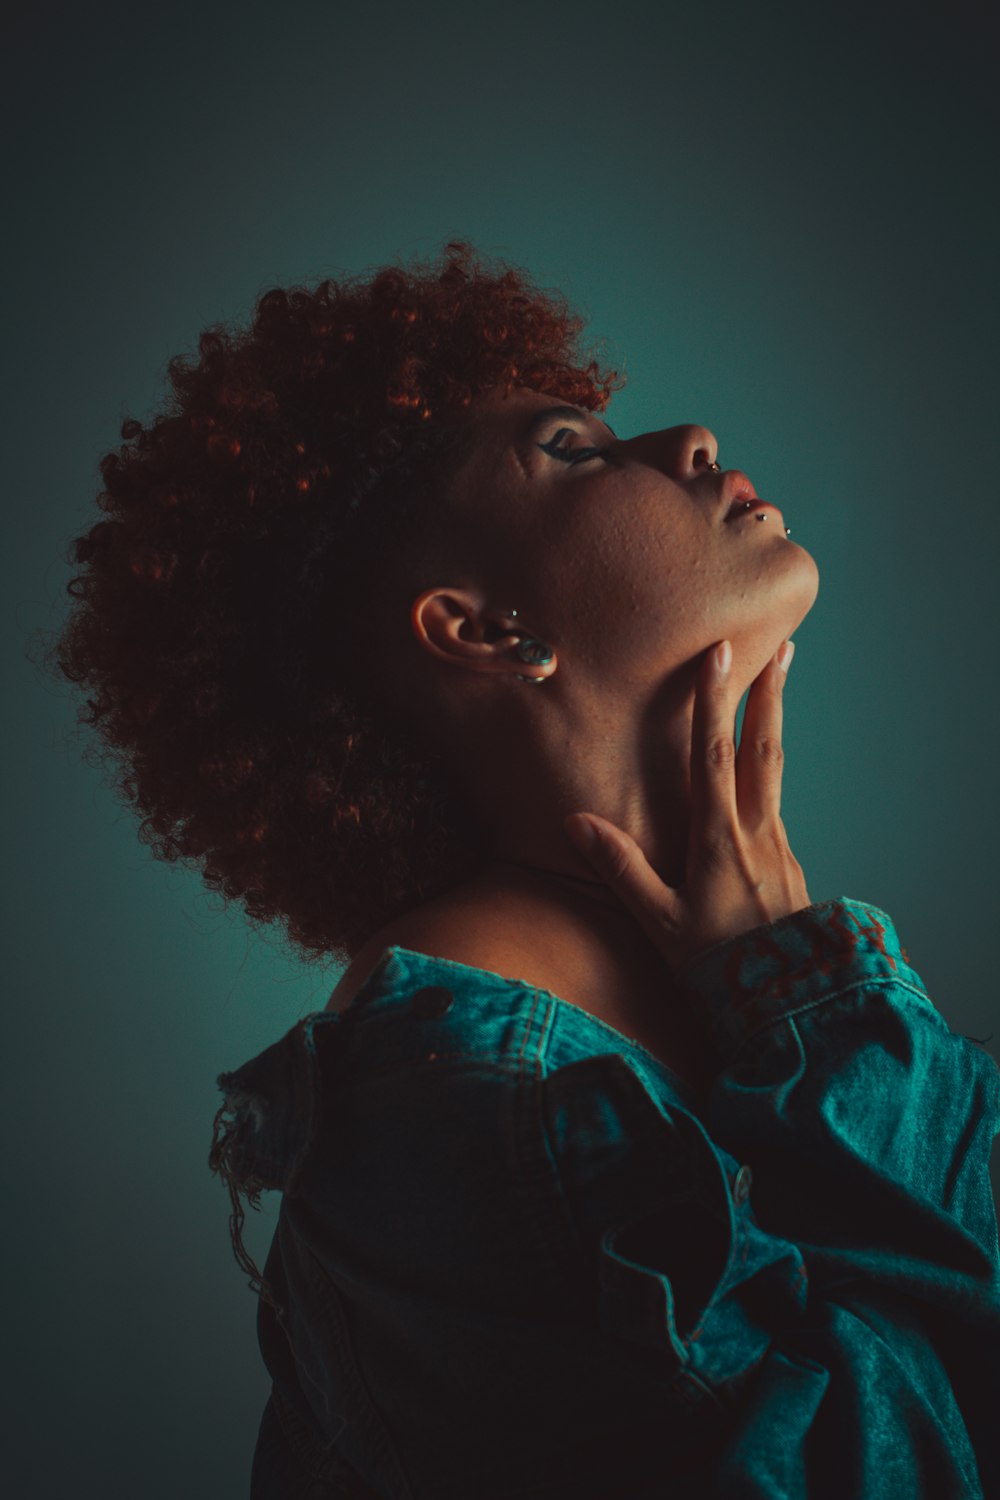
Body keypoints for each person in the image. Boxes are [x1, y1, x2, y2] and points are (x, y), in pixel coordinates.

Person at [49, 241, 1000, 1497]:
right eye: (574, 450)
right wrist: (824, 1012)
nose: (694, 438)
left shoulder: (720, 986)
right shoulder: (453, 1097)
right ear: (484, 629)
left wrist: (790, 984)